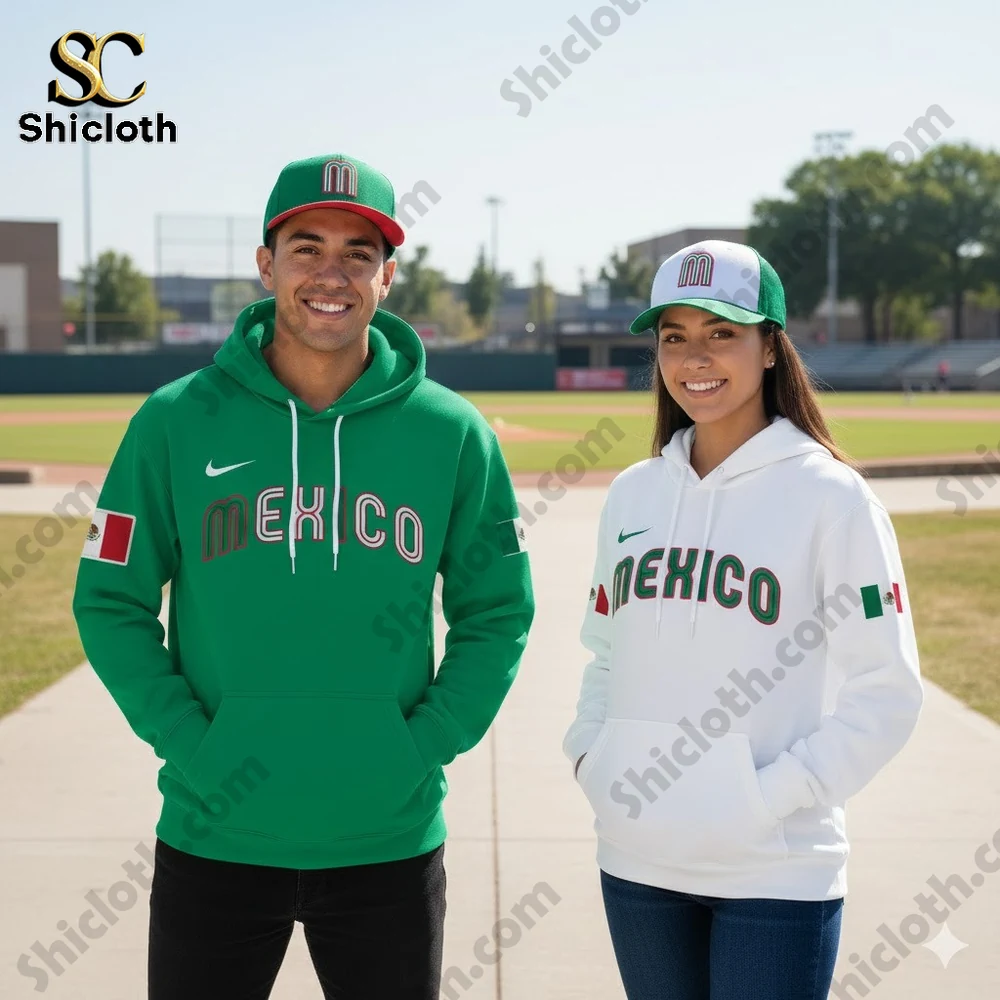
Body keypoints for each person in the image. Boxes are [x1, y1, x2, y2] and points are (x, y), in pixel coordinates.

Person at [72, 152, 534, 1000]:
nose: (332, 274)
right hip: (216, 833)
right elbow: (108, 597)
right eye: (307, 247)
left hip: (387, 842)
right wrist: (192, 742)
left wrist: (424, 745)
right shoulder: (176, 420)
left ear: (388, 276)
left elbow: (496, 610)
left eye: (359, 253)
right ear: (266, 264)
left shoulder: (452, 434)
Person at [562, 240, 923, 1000]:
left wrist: (773, 795)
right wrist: (595, 760)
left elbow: (888, 689)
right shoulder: (633, 494)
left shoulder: (832, 497)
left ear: (769, 347)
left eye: (722, 331)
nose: (696, 355)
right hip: (636, 859)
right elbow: (603, 654)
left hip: (776, 868)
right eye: (674, 335)